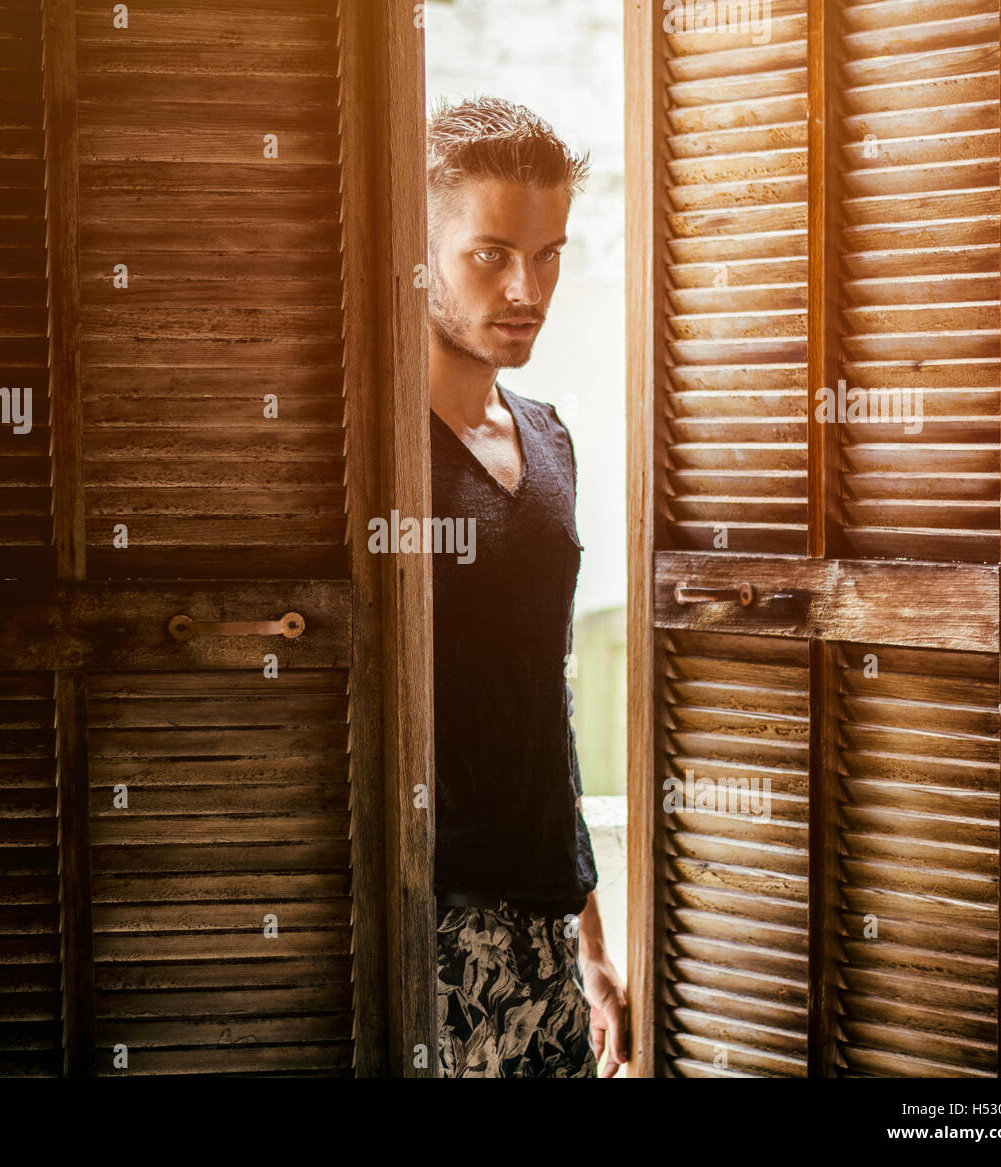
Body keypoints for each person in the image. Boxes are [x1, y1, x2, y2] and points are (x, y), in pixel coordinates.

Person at [426, 95, 628, 1078]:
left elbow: (542, 698)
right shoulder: (374, 456)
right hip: (422, 933)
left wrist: (589, 944)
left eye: (548, 254)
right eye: (490, 253)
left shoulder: (549, 437)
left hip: (545, 935)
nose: (526, 287)